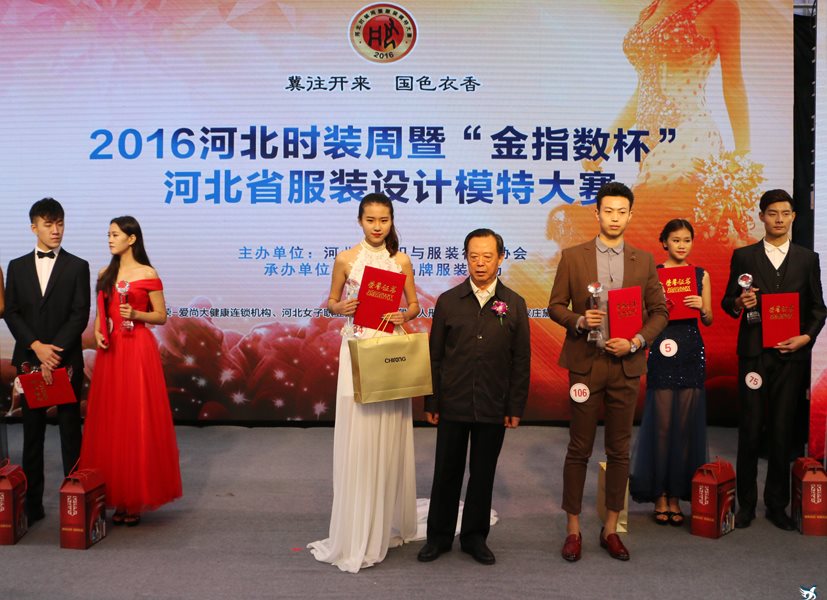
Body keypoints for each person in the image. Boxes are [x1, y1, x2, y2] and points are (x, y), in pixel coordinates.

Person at [548, 181, 668, 562]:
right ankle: (573, 530)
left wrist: (635, 341)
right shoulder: (574, 256)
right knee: (579, 447)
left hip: (626, 365)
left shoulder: (644, 260)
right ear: (596, 213)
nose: (614, 218)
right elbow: (555, 306)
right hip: (586, 363)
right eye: (608, 211)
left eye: (621, 212)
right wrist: (580, 320)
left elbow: (660, 312)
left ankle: (611, 528)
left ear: (631, 215)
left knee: (619, 449)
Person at [308, 193, 420, 573]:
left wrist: (403, 314)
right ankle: (358, 518)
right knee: (359, 427)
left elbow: (415, 306)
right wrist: (340, 307)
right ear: (360, 221)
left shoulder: (401, 260)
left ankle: (384, 512)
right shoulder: (345, 259)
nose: (377, 226)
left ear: (391, 221)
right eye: (371, 219)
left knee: (387, 428)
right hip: (356, 346)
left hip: (388, 346)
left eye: (384, 220)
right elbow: (331, 301)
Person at [417, 229, 530, 566]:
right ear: (465, 258)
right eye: (474, 256)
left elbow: (521, 360)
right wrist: (432, 401)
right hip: (453, 401)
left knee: (483, 473)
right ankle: (438, 537)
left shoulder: (514, 303)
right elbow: (435, 356)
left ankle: (475, 537)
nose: (480, 263)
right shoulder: (448, 301)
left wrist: (515, 406)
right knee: (446, 471)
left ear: (501, 258)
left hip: (494, 402)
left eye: (487, 256)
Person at [721, 189, 826, 531]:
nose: (779, 219)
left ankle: (777, 504)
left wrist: (805, 338)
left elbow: (818, 309)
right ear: (761, 216)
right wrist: (740, 303)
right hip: (753, 354)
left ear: (793, 216)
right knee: (750, 429)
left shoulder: (807, 259)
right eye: (772, 213)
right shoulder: (744, 257)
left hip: (790, 356)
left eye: (785, 213)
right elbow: (727, 302)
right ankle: (747, 504)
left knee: (782, 430)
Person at [79, 216, 182, 526]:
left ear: (132, 238)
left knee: (136, 418)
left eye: (115, 234)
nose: (110, 239)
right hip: (111, 352)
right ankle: (115, 494)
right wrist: (99, 332)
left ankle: (134, 498)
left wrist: (136, 313)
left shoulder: (148, 273)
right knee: (112, 419)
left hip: (137, 349)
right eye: (108, 235)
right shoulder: (104, 274)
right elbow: (100, 314)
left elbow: (161, 316)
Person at [4, 198, 90, 523]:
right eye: (48, 224)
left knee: (70, 433)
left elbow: (79, 314)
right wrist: (36, 347)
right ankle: (32, 506)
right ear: (34, 228)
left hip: (65, 362)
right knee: (32, 435)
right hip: (30, 361)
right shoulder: (16, 266)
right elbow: (12, 312)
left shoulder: (77, 266)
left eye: (60, 223)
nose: (56, 230)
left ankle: (76, 504)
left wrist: (53, 352)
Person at [629, 219, 711, 526]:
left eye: (687, 240)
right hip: (662, 348)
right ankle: (659, 494)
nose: (682, 245)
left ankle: (676, 494)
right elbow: (643, 314)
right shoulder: (654, 273)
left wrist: (702, 306)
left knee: (685, 428)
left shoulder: (701, 275)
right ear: (664, 242)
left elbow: (709, 318)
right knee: (662, 426)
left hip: (691, 351)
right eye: (676, 240)